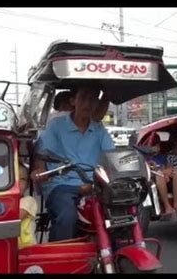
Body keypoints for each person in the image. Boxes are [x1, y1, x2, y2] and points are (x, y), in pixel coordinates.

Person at [31, 85, 115, 241]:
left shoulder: (99, 130)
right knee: (67, 216)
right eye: (83, 98)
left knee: (121, 211)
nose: (88, 104)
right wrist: (40, 170)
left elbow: (112, 156)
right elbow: (42, 154)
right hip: (61, 185)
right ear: (73, 101)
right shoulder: (56, 126)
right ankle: (60, 258)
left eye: (92, 100)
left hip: (95, 185)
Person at [145, 134, 177, 216]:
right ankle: (167, 206)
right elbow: (150, 170)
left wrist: (166, 172)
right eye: (155, 145)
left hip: (166, 177)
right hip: (154, 179)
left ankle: (176, 205)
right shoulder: (145, 158)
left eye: (158, 145)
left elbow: (169, 167)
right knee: (159, 174)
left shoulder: (162, 156)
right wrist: (162, 172)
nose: (157, 148)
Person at [18, 164, 38, 249]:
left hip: (27, 249)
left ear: (28, 184)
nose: (17, 182)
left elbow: (16, 217)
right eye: (12, 178)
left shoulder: (28, 201)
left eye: (22, 179)